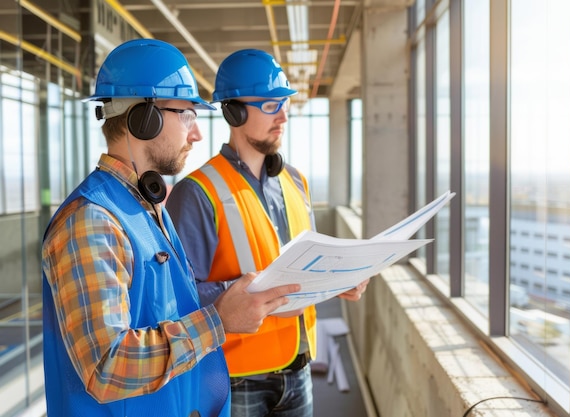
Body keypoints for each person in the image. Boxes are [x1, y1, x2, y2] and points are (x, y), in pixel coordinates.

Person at [41, 39, 301, 417]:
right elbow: (106, 368)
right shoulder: (92, 221)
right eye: (187, 115)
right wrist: (219, 320)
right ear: (144, 119)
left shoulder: (145, 207)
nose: (195, 134)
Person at [166, 48, 369, 417]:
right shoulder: (197, 192)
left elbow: (308, 262)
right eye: (272, 105)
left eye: (285, 103)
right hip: (236, 375)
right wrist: (249, 292)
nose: (284, 115)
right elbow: (178, 298)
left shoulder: (296, 181)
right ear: (235, 111)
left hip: (299, 366)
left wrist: (340, 277)